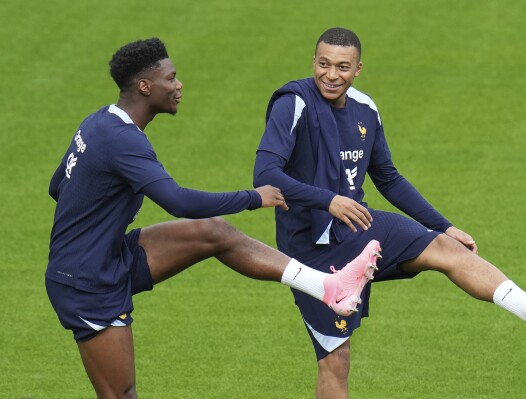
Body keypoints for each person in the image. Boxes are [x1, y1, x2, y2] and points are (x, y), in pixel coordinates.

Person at [45, 37, 382, 399]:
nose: (179, 85)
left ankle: (327, 288)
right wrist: (253, 197)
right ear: (145, 86)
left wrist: (96, 218)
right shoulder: (123, 140)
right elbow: (178, 201)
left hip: (110, 255)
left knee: (214, 233)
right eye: (170, 78)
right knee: (121, 394)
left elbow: (57, 186)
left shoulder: (98, 122)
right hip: (85, 281)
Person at [253, 27, 526, 398]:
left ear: (358, 68)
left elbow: (388, 179)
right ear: (313, 61)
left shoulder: (365, 108)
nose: (331, 74)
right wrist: (328, 200)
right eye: (323, 64)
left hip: (359, 228)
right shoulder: (292, 104)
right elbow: (265, 175)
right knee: (335, 358)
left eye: (342, 67)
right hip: (312, 248)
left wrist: (443, 225)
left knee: (447, 249)